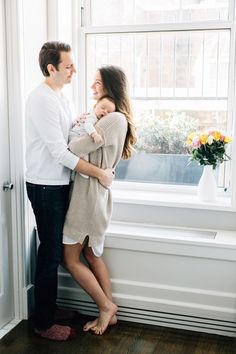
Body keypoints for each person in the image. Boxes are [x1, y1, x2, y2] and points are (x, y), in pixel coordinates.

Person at [25, 41, 114, 341]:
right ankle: (43, 322)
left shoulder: (61, 97)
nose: (75, 70)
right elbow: (60, 153)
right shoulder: (41, 100)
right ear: (52, 69)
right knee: (50, 253)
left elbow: (71, 137)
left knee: (58, 251)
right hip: (45, 186)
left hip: (61, 184)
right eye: (68, 66)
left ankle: (50, 307)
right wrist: (100, 173)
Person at [63, 65, 137, 335]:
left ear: (111, 86)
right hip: (93, 193)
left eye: (97, 83)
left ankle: (105, 306)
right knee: (91, 255)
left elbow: (74, 148)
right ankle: (110, 310)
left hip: (89, 195)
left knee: (69, 258)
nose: (92, 88)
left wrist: (88, 123)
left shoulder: (114, 118)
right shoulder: (109, 117)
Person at [69, 95, 116, 178]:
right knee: (82, 155)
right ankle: (82, 171)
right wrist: (94, 135)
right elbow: (88, 125)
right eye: (102, 107)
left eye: (109, 112)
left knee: (82, 154)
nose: (105, 111)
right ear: (95, 106)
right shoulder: (92, 115)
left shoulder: (97, 118)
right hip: (75, 136)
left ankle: (77, 172)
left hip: (78, 136)